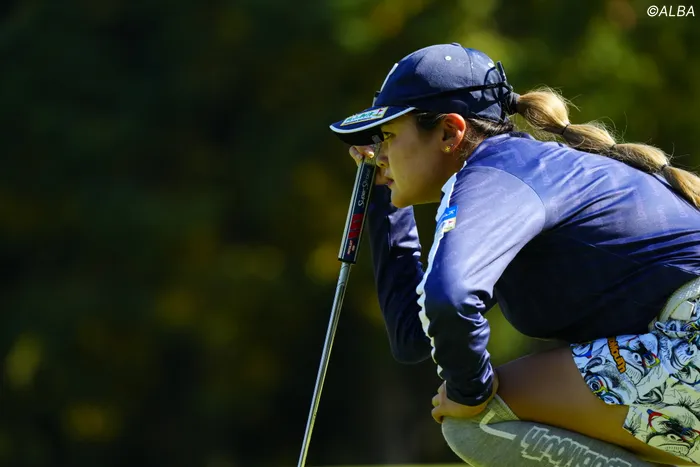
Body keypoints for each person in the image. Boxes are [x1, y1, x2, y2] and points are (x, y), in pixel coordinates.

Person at [328, 43, 700, 466]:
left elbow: (448, 299)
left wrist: (470, 393)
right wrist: (382, 194)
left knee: (477, 419)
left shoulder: (494, 175)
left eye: (389, 136)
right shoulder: (518, 171)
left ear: (449, 132)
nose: (379, 153)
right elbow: (415, 333)